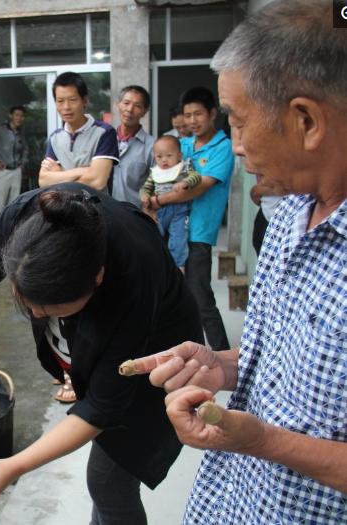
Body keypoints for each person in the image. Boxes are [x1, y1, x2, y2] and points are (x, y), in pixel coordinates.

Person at [129, 2, 347, 522]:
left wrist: (264, 441)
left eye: (240, 124)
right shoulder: (292, 212)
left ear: (306, 121)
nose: (238, 148)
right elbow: (284, 365)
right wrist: (219, 364)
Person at [0, 183, 203, 523]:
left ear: (97, 278)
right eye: (29, 303)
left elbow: (100, 408)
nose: (37, 315)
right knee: (106, 483)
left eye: (51, 309)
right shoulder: (30, 217)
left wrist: (15, 465)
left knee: (110, 480)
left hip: (161, 363)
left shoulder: (134, 279)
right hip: (116, 343)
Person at [156, 87, 234, 351]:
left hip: (199, 233)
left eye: (198, 114)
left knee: (201, 297)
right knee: (173, 295)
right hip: (170, 228)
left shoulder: (222, 148)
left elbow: (200, 187)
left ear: (212, 113)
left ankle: (223, 354)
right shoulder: (184, 145)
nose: (192, 121)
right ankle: (187, 350)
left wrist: (160, 200)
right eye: (187, 115)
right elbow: (161, 169)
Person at [38, 72, 118, 191]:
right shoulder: (55, 138)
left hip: (95, 208)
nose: (66, 107)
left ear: (85, 100)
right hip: (63, 208)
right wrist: (83, 171)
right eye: (60, 101)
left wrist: (60, 173)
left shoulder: (104, 132)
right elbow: (43, 181)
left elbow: (97, 181)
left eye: (72, 100)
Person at [140, 136, 202, 270]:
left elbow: (196, 177)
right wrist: (144, 196)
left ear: (179, 155)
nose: (164, 160)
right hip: (159, 211)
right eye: (159, 156)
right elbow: (146, 188)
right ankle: (154, 263)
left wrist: (185, 182)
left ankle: (178, 265)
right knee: (154, 236)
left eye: (169, 155)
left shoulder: (184, 167)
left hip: (180, 211)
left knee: (179, 239)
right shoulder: (155, 172)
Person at [111, 85, 155, 207]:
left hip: (135, 216)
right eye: (126, 103)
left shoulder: (152, 146)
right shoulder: (104, 140)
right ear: (118, 104)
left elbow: (158, 186)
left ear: (145, 111)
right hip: (105, 214)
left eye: (137, 106)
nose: (130, 109)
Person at [0, 105, 28, 222]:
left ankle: (9, 230)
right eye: (17, 115)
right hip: (3, 171)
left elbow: (25, 149)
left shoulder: (20, 133)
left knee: (14, 203)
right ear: (11, 116)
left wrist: (22, 163)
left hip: (16, 171)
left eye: (22, 116)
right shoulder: (1, 130)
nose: (19, 118)